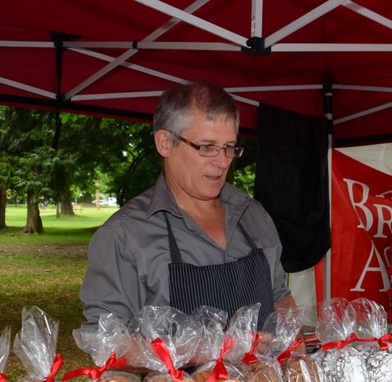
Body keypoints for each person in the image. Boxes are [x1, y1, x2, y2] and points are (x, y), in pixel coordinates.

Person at [80, 80, 295, 329]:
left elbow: (279, 296)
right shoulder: (124, 236)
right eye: (207, 147)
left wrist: (291, 338)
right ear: (165, 143)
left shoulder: (253, 215)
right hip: (176, 370)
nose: (223, 162)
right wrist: (198, 352)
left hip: (262, 369)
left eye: (228, 148)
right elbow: (106, 339)